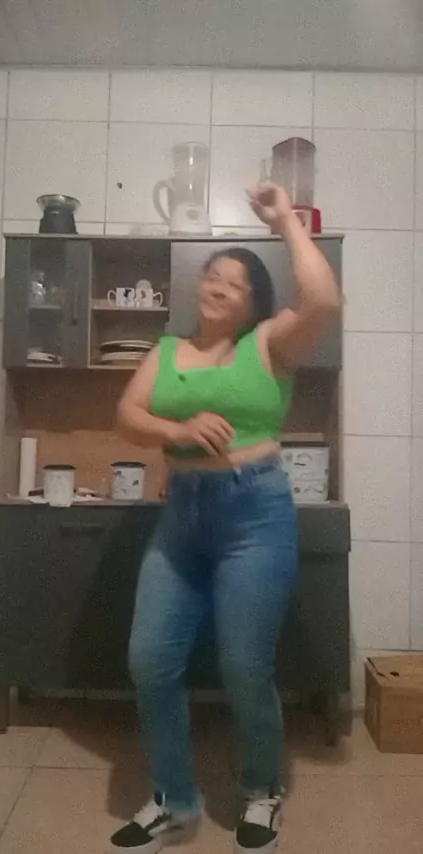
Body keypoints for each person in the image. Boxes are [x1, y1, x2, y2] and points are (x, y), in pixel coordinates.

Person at [108, 183, 340, 854]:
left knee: (245, 667)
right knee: (150, 660)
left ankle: (263, 788)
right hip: (181, 519)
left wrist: (286, 221)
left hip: (255, 518)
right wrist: (177, 427)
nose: (218, 284)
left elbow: (323, 302)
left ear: (252, 303)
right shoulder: (166, 351)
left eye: (235, 282)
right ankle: (174, 800)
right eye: (213, 273)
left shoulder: (268, 344)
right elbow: (126, 416)